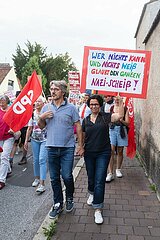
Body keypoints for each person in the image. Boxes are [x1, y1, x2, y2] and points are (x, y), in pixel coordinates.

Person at [38, 80, 84, 219]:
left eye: (56, 89)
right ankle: (58, 203)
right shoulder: (46, 107)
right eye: (51, 89)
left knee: (67, 176)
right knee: (53, 178)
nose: (53, 91)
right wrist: (42, 117)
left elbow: (79, 126)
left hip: (67, 148)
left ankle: (69, 197)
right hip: (51, 147)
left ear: (63, 92)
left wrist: (80, 145)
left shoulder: (71, 108)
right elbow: (41, 126)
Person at [82, 94, 111, 224]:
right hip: (89, 152)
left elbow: (118, 116)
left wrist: (119, 102)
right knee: (91, 177)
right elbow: (82, 135)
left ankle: (98, 209)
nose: (94, 106)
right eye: (91, 104)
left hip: (103, 153)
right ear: (89, 105)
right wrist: (80, 147)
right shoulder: (86, 120)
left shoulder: (105, 117)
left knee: (100, 179)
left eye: (96, 104)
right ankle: (91, 193)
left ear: (100, 105)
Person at [24, 96, 47, 193]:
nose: (37, 103)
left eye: (39, 101)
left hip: (45, 140)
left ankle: (42, 184)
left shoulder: (46, 113)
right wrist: (26, 140)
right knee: (36, 160)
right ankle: (37, 178)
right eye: (36, 101)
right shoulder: (32, 114)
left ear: (43, 103)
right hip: (34, 139)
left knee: (42, 159)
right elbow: (30, 128)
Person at [106, 95, 129, 182]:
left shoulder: (125, 108)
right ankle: (110, 173)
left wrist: (121, 120)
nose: (116, 100)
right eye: (115, 98)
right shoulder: (111, 108)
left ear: (121, 100)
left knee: (120, 150)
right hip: (112, 130)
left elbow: (127, 123)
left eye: (118, 99)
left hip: (121, 130)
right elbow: (108, 119)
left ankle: (118, 169)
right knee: (111, 151)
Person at [0, 95, 15, 190]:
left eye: (3, 101)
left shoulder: (11, 111)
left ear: (7, 102)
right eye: (0, 101)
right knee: (1, 157)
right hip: (0, 137)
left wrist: (14, 129)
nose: (1, 103)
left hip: (9, 137)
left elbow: (16, 122)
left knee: (4, 156)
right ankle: (8, 170)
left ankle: (1, 180)